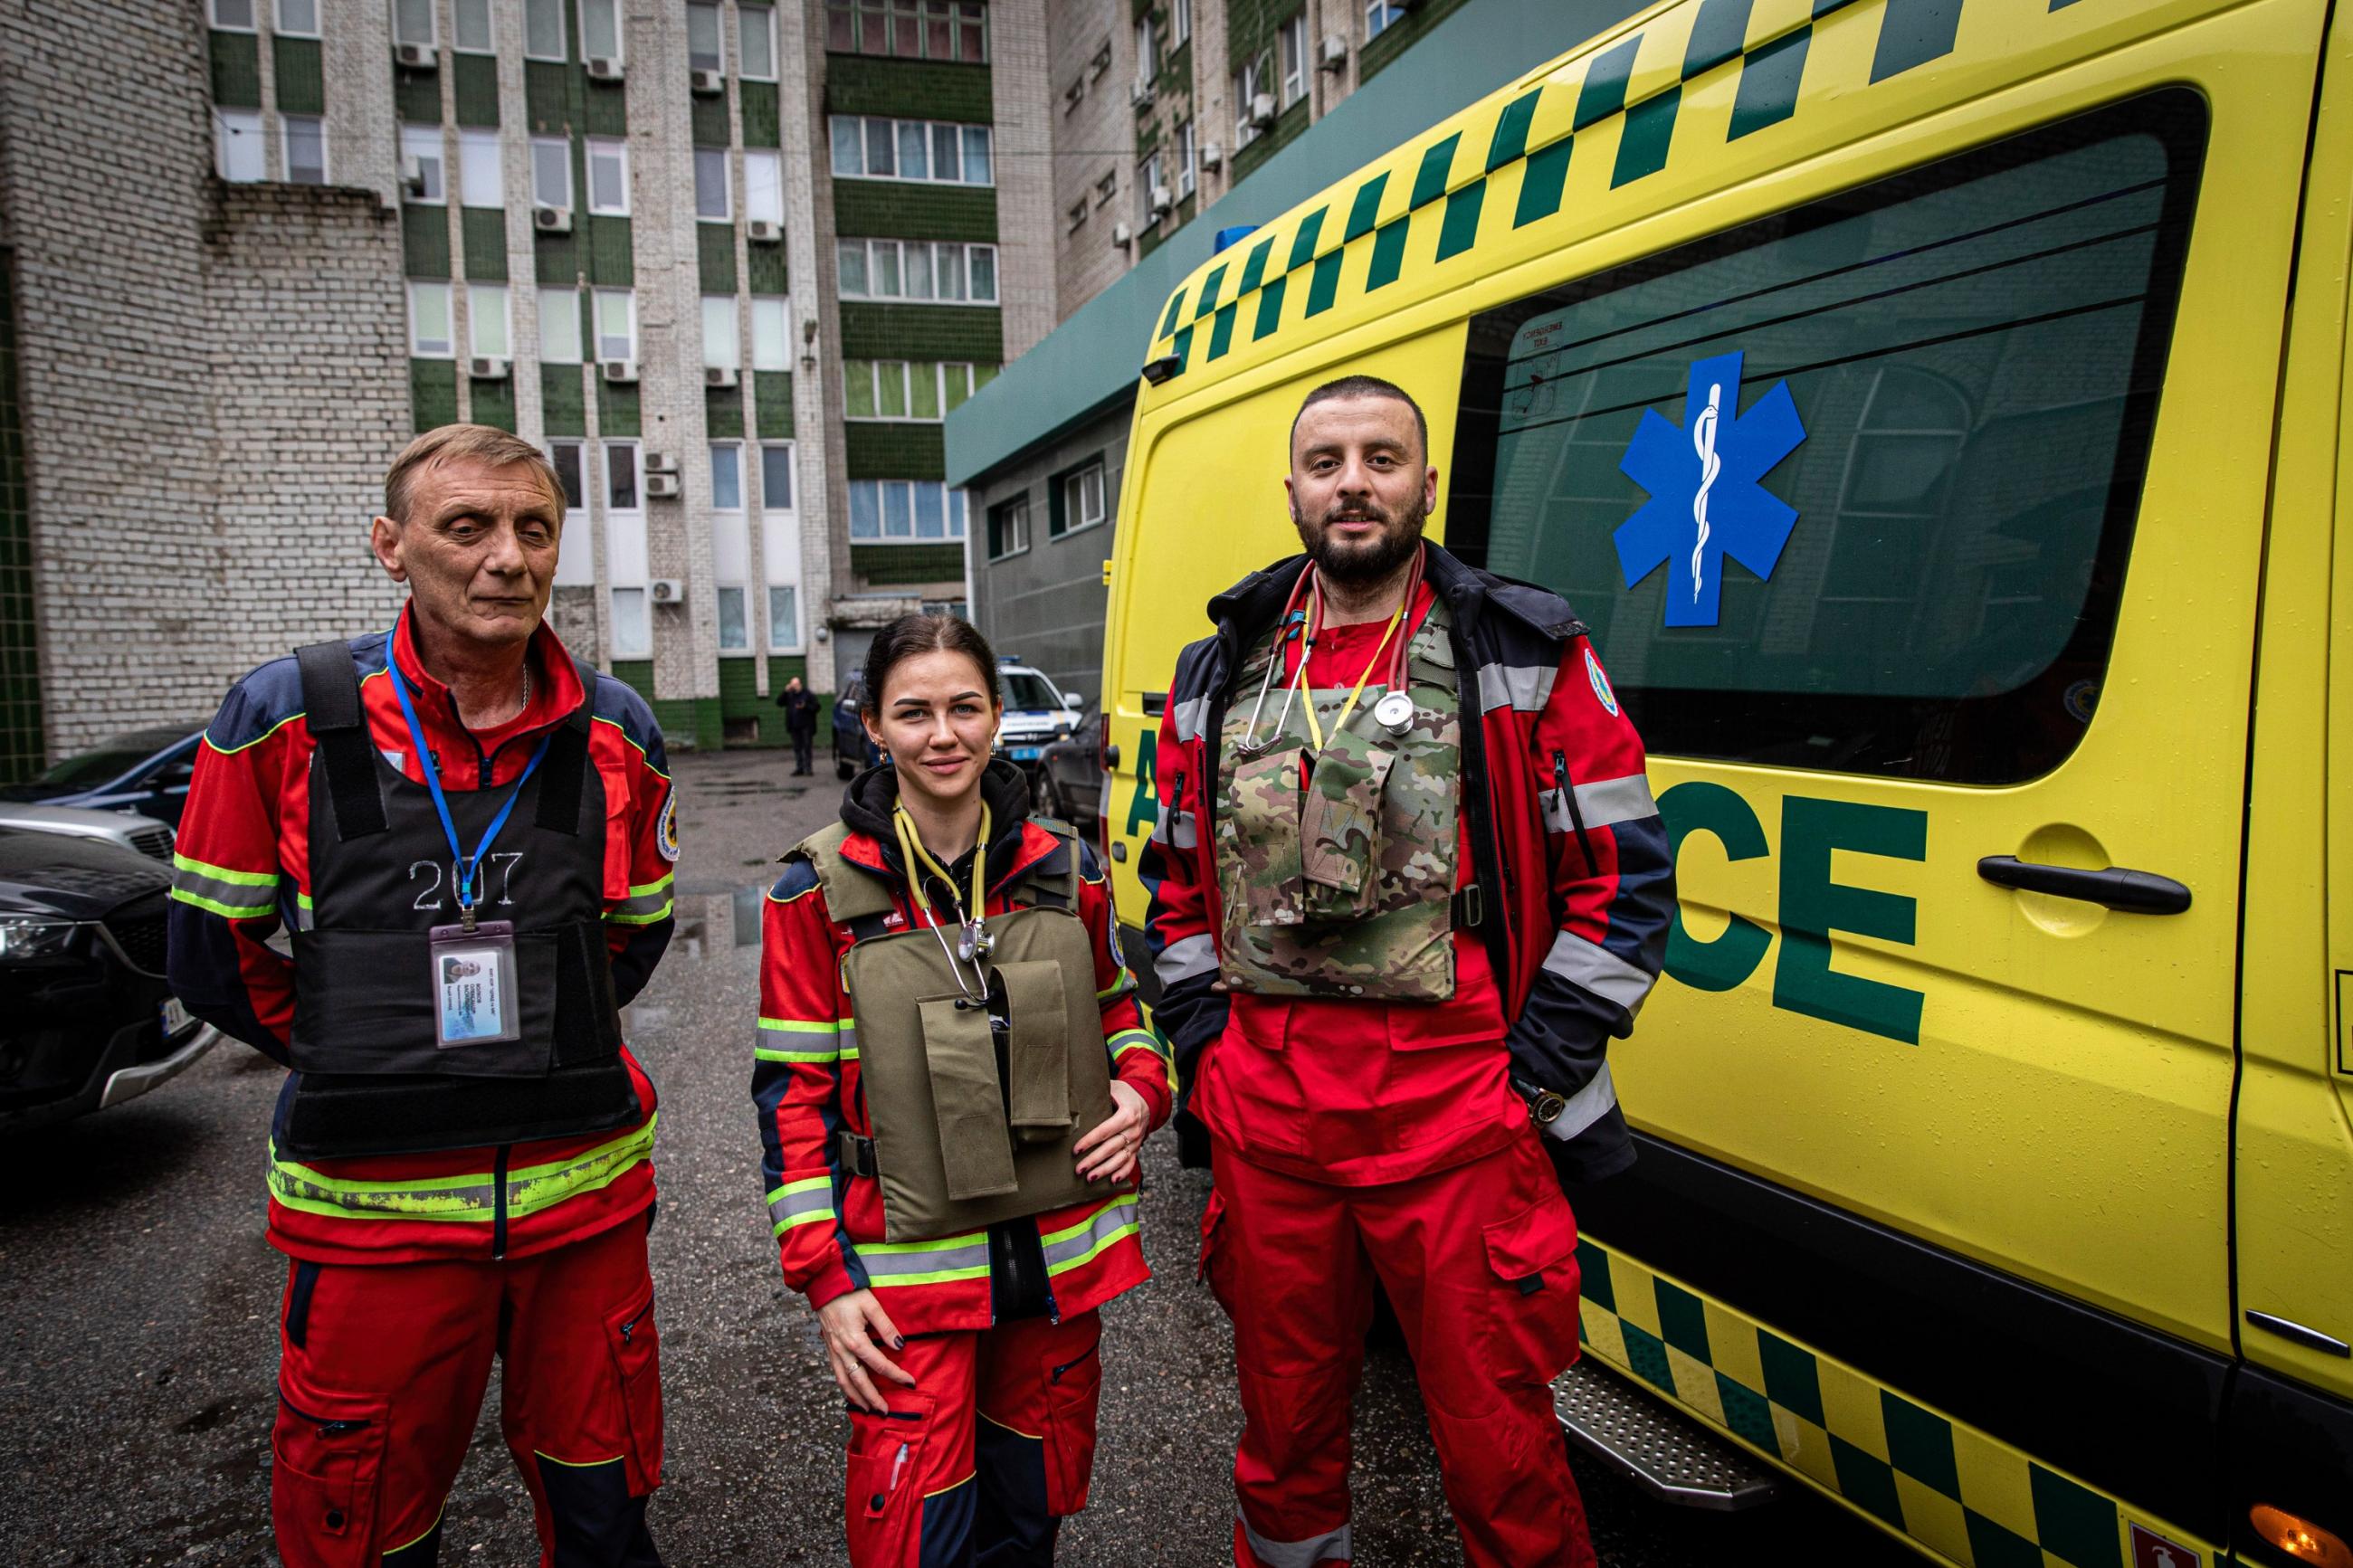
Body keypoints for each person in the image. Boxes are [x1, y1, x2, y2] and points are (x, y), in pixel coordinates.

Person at [1139, 375, 1676, 1568]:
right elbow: (1171, 881)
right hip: (1271, 1126)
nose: (1354, 483)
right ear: (1291, 490)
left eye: (1384, 457)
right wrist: (1207, 1052)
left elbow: (1627, 881)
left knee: (1502, 1453)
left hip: (1459, 1125)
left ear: (1426, 484)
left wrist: (1526, 1080)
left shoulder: (1520, 648)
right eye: (1326, 461)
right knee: (1282, 1447)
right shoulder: (1216, 668)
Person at [167, 424, 680, 1567]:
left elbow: (635, 937)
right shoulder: (281, 718)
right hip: (374, 1229)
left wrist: (534, 1028)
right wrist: (360, 1040)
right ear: (391, 547)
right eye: (469, 526)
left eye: (533, 528)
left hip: (580, 1217)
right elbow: (210, 952)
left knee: (605, 1512)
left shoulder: (617, 731)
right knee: (362, 1524)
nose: (508, 556)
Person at [753, 613, 1175, 1567]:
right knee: (916, 1543)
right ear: (871, 724)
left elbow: (1125, 1017)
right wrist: (823, 1277)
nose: (941, 734)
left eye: (962, 707)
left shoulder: (1065, 871)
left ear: (993, 718)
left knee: (1027, 1528)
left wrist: (1144, 1094)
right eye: (913, 712)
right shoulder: (811, 894)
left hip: (1057, 1277)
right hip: (907, 1292)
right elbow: (789, 1101)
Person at [777, 674, 821, 775]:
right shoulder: (789, 695)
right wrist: (785, 691)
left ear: (800, 684)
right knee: (797, 748)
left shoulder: (807, 694)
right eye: (793, 685)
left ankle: (808, 768)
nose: (794, 687)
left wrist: (805, 706)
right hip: (794, 726)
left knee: (807, 747)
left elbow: (817, 707)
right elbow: (779, 702)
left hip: (806, 726)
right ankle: (799, 767)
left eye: (796, 684)